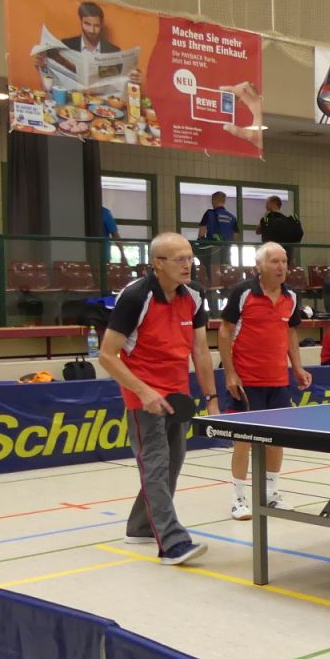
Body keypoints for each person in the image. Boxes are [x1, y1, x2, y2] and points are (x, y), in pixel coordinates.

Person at [98, 232, 219, 567]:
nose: (188, 264)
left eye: (190, 257)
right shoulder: (136, 297)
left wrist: (211, 397)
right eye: (179, 259)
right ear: (158, 264)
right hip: (144, 398)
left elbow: (200, 350)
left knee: (172, 465)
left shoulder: (194, 295)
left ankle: (139, 527)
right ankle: (172, 542)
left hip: (177, 396)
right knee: (156, 464)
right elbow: (107, 355)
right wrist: (143, 391)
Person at [219, 242, 310, 520]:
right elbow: (224, 331)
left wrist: (297, 367)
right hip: (247, 381)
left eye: (284, 261)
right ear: (259, 265)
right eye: (274, 261)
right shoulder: (243, 292)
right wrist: (230, 373)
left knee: (276, 439)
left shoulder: (291, 296)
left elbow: (290, 333)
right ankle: (238, 498)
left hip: (278, 380)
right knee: (243, 440)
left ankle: (271, 493)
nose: (281, 267)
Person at [256, 195, 304, 263]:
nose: (265, 206)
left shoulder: (267, 220)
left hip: (271, 254)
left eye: (267, 203)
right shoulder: (289, 221)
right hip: (286, 255)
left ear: (273, 203)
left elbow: (257, 231)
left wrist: (265, 216)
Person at [197, 192, 239, 268]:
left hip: (212, 251)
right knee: (224, 271)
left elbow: (201, 233)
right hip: (226, 251)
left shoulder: (209, 213)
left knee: (212, 271)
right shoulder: (232, 217)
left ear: (213, 200)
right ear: (224, 201)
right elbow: (236, 237)